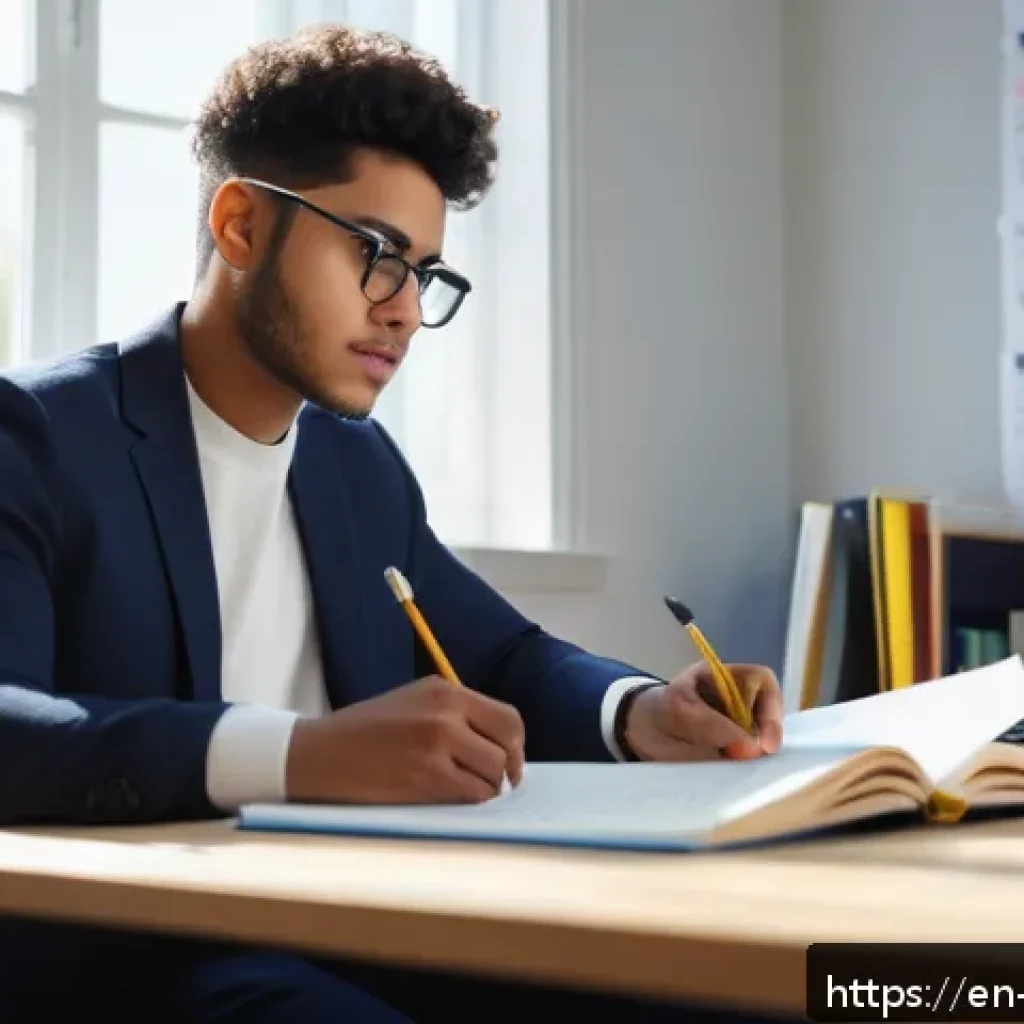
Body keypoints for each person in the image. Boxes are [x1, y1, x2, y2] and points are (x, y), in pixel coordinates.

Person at [0, 23, 787, 1024]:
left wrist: (639, 714)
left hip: (378, 920)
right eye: (377, 255)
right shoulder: (36, 435)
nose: (406, 310)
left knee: (742, 992)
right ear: (240, 225)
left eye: (425, 272)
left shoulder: (354, 465)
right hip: (145, 964)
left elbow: (507, 656)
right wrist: (303, 754)